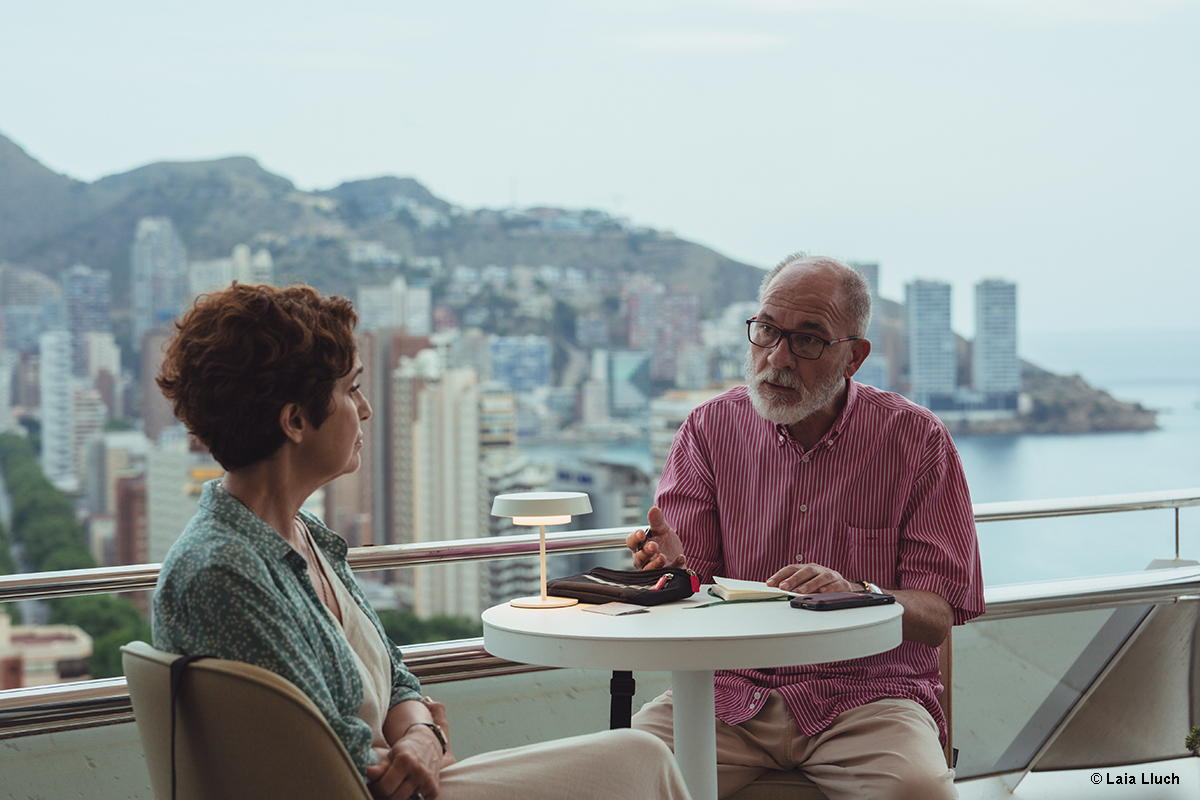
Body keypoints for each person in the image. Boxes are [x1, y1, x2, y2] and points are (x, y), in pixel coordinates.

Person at [152, 283, 692, 800]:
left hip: (411, 779)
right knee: (638, 760)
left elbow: (397, 678)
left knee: (638, 755)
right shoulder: (223, 573)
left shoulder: (307, 536)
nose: (365, 408)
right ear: (295, 420)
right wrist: (423, 742)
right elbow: (330, 759)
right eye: (351, 389)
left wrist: (420, 735)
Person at [627, 255, 985, 800]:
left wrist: (858, 594)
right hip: (727, 693)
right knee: (623, 775)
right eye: (767, 330)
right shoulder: (708, 430)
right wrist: (671, 571)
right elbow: (690, 591)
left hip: (869, 698)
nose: (777, 357)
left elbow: (937, 617)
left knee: (919, 791)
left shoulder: (916, 440)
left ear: (854, 356)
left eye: (809, 340)